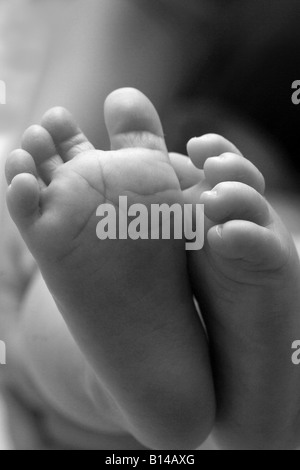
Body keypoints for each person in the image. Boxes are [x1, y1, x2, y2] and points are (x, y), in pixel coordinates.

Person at [2, 0, 300, 450]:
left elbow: (156, 16)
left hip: (180, 175)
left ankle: (111, 391)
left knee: (52, 299)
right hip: (241, 196)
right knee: (256, 236)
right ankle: (270, 403)